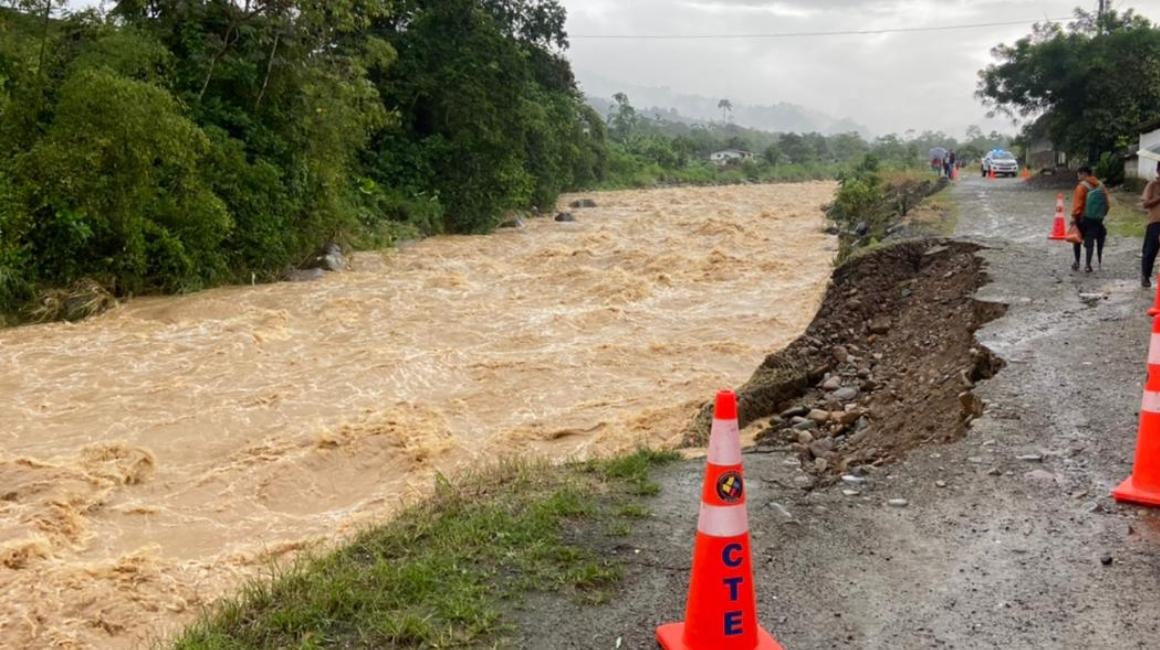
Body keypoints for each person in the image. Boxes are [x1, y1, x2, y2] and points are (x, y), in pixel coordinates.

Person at [1071, 166, 1109, 273]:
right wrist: (1101, 215)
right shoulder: (1101, 186)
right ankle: (1088, 265)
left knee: (1077, 240)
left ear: (1084, 174)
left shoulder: (1081, 187)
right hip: (1097, 219)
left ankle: (1077, 262)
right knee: (1090, 240)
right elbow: (1107, 204)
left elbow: (1077, 205)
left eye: (1079, 174)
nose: (1078, 177)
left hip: (1083, 218)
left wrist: (1074, 217)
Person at [1141, 161, 1160, 288]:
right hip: (1155, 222)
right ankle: (1145, 276)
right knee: (1150, 251)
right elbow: (1145, 204)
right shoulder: (1153, 185)